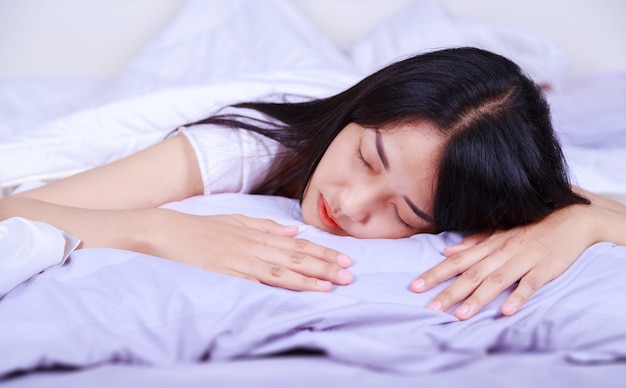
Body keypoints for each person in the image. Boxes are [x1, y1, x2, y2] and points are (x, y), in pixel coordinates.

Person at [1, 47, 625, 321]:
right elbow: (14, 206)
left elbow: (591, 197)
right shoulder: (239, 146)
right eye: (367, 156)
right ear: (360, 109)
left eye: (405, 216)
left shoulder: (479, 177)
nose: (349, 204)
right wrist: (155, 227)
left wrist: (584, 220)